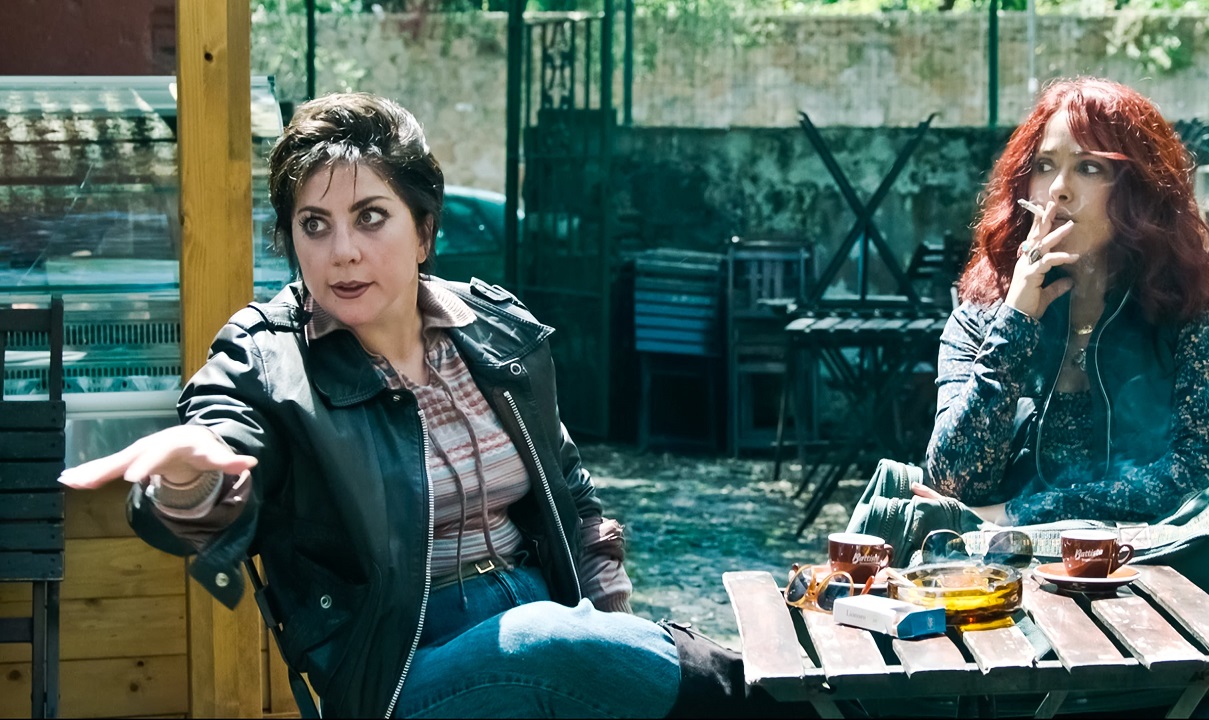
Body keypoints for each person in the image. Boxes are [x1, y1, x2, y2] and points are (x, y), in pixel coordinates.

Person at [56, 93, 785, 719]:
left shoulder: (496, 332)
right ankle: (768, 699)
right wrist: (194, 477)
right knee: (542, 639)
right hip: (401, 669)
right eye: (315, 224)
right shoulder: (267, 361)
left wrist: (612, 641)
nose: (342, 251)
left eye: (370, 217)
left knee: (555, 640)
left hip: (559, 629)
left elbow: (573, 497)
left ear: (425, 231)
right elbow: (222, 444)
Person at [915, 77, 1209, 528]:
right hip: (995, 564)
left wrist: (1019, 515)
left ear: (1140, 191)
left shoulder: (1186, 312)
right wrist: (1015, 322)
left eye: (1089, 168)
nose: (1058, 189)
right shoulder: (984, 314)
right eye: (1044, 165)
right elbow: (955, 481)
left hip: (1145, 562)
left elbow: (1199, 476)